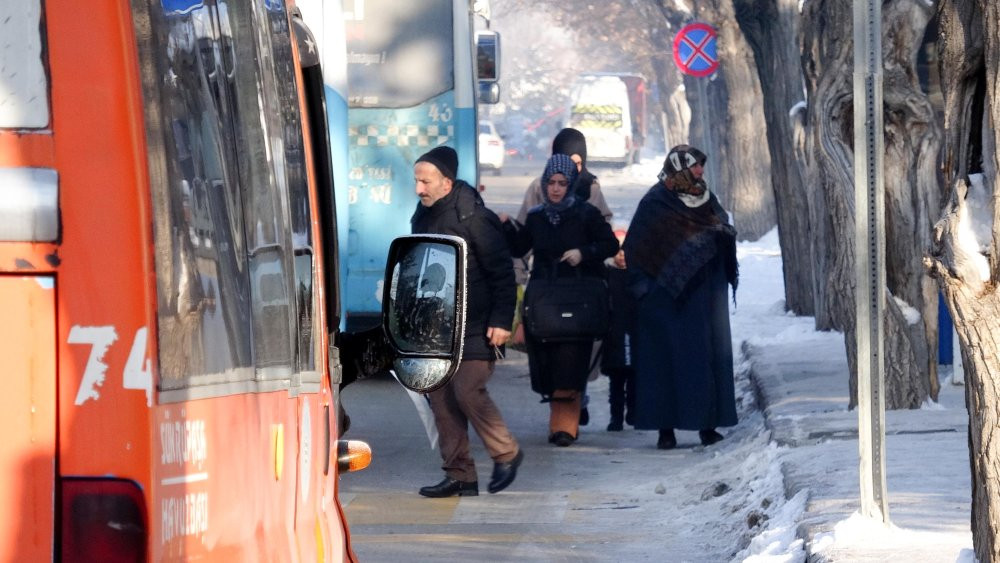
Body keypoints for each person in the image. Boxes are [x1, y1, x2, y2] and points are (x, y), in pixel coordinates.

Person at [410, 146, 523, 497]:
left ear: (446, 182)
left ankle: (506, 453)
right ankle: (460, 474)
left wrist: (502, 321)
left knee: (467, 389)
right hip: (438, 325)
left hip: (477, 323)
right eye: (416, 181)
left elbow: (503, 274)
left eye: (425, 182)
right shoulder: (422, 215)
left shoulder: (475, 218)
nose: (418, 189)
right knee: (441, 398)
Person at [623, 144, 739, 450]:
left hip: (705, 295)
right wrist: (644, 290)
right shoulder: (656, 201)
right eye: (694, 165)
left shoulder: (706, 198)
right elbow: (636, 246)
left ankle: (707, 425)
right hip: (665, 298)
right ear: (679, 168)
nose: (700, 170)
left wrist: (722, 234)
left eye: (701, 164)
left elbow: (720, 226)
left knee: (704, 360)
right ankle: (666, 430)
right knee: (665, 362)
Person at [501, 154, 618, 447]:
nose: (555, 189)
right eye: (551, 182)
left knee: (571, 362)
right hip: (545, 299)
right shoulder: (537, 216)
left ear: (571, 184)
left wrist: (583, 253)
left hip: (578, 299)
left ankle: (564, 428)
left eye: (562, 183)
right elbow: (520, 247)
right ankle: (560, 422)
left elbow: (610, 244)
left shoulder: (586, 213)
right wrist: (506, 227)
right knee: (548, 362)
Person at [601, 227, 637, 431]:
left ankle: (633, 412)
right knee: (616, 380)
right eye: (618, 251)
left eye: (626, 250)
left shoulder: (637, 275)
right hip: (614, 334)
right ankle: (616, 417)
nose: (622, 255)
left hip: (634, 331)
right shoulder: (607, 274)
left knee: (634, 377)